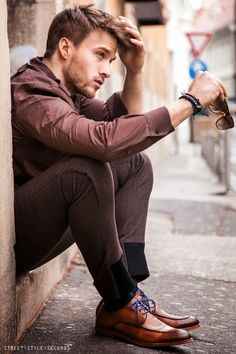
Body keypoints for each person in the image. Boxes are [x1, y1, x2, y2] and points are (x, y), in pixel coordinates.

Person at [11, 4, 227, 349]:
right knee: (86, 169)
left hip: (47, 224)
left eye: (111, 61)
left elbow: (122, 125)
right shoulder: (33, 92)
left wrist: (136, 70)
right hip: (16, 240)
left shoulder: (69, 92)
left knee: (136, 164)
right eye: (100, 56)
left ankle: (128, 294)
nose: (106, 70)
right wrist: (189, 102)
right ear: (65, 48)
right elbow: (106, 142)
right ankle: (120, 301)